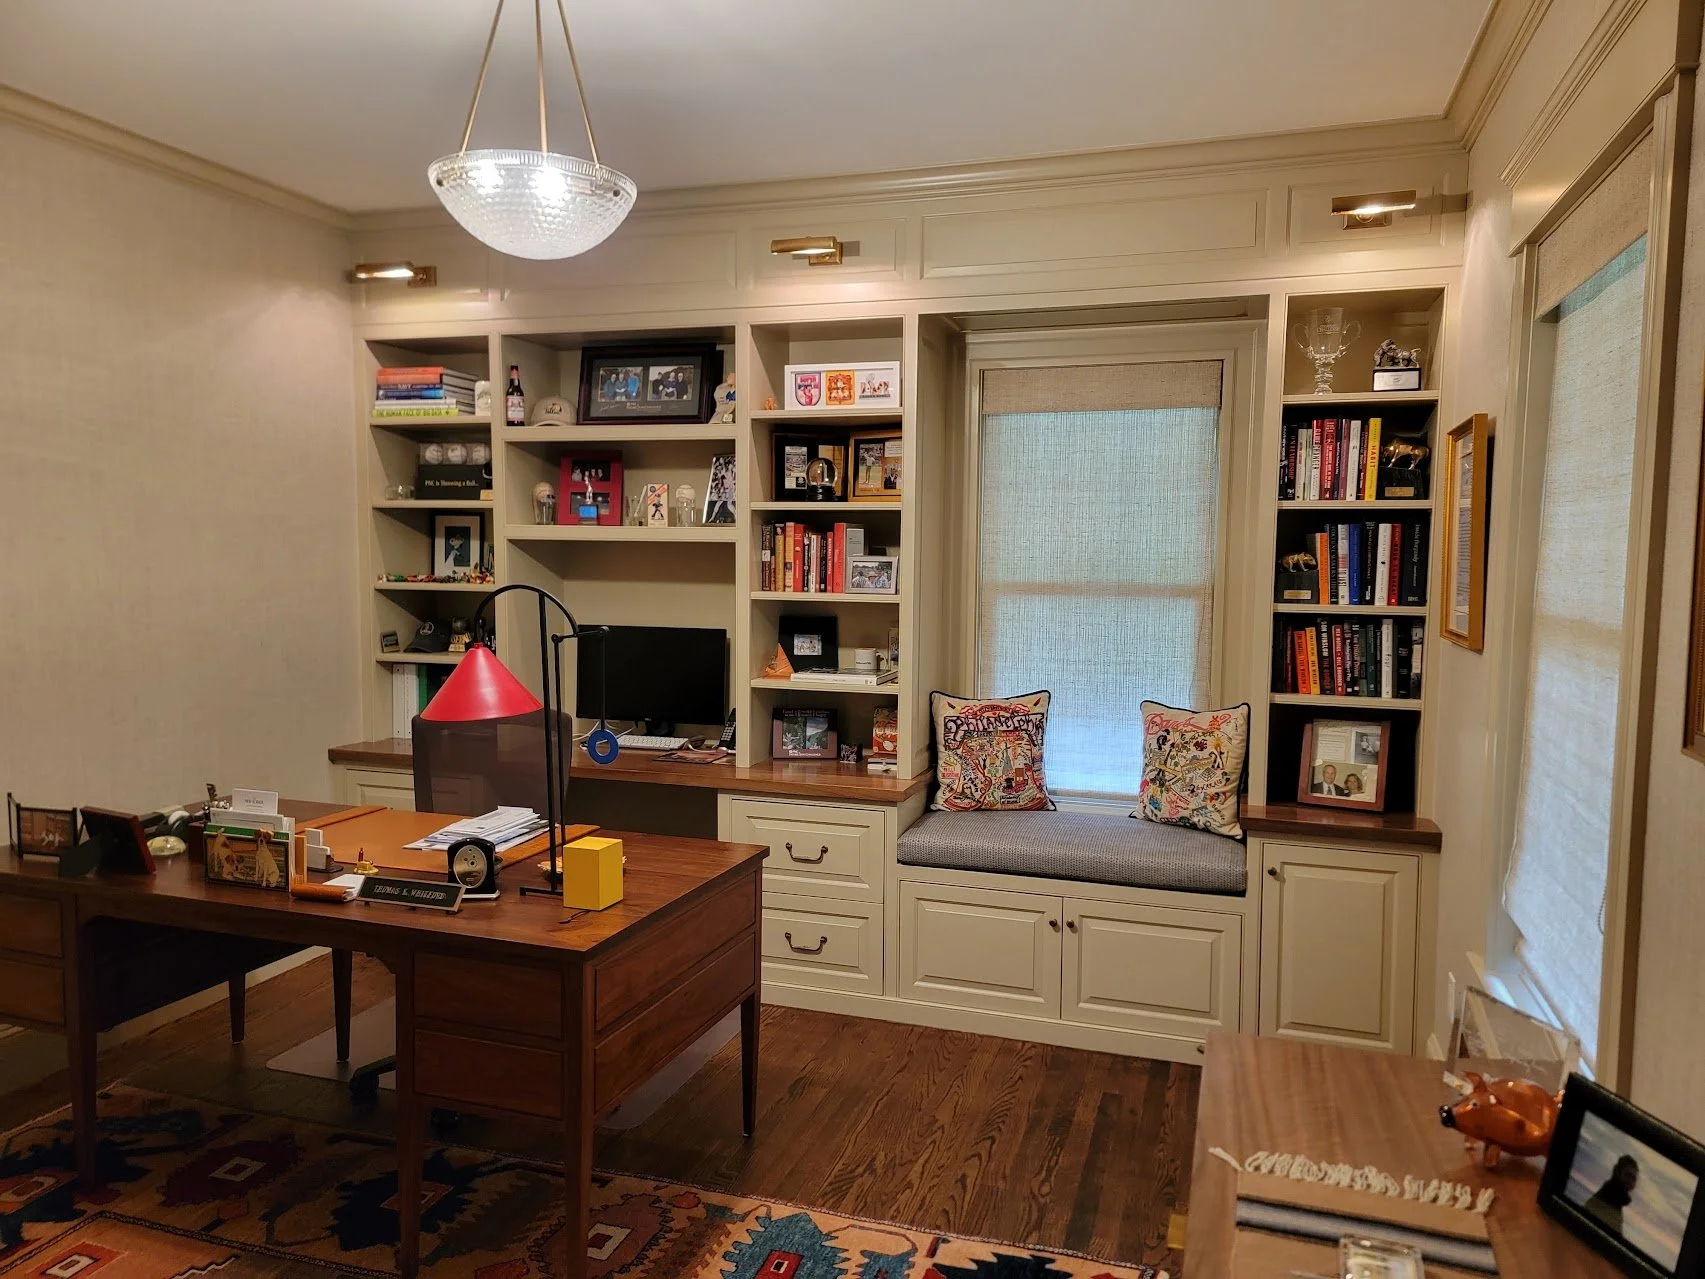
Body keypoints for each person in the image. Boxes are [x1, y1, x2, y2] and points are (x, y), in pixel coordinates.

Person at [1583, 1155, 1639, 1236]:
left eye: (1633, 1179)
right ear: (1618, 1173)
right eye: (1628, 1175)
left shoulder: (1615, 1199)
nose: (1630, 1181)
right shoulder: (1609, 1196)